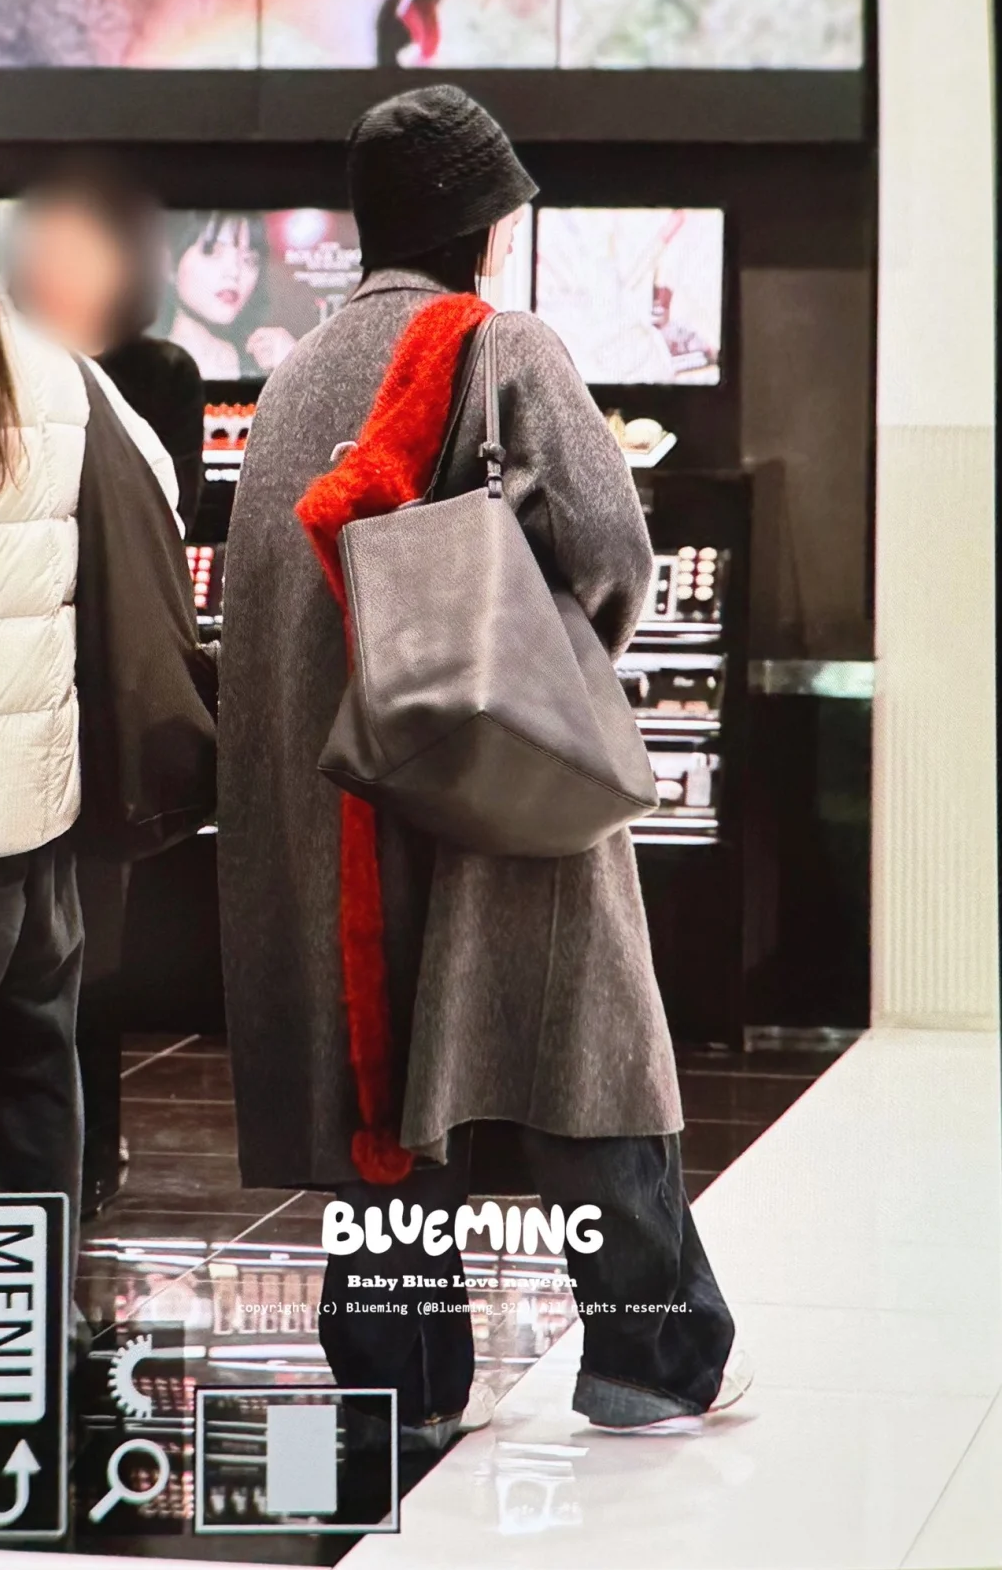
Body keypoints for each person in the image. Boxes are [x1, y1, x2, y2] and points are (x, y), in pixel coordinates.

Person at [217, 86, 749, 1445]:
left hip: (339, 804)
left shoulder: (294, 375)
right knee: (585, 1052)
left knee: (387, 1086)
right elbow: (615, 553)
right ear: (478, 224)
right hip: (493, 788)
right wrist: (562, 671)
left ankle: (399, 1378)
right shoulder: (507, 343)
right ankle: (649, 1354)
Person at [0, 132, 181, 1434]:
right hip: (38, 810)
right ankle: (16, 1348)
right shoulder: (55, 367)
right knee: (32, 1074)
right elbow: (158, 501)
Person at [8, 171, 205, 533]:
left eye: (82, 258)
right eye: (51, 255)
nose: (64, 276)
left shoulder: (167, 373)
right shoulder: (1, 367)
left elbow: (173, 519)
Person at [154, 211, 298, 382]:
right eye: (212, 251)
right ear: (168, 264)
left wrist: (297, 370)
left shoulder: (270, 366)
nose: (234, 272)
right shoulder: (138, 370)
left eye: (249, 260)